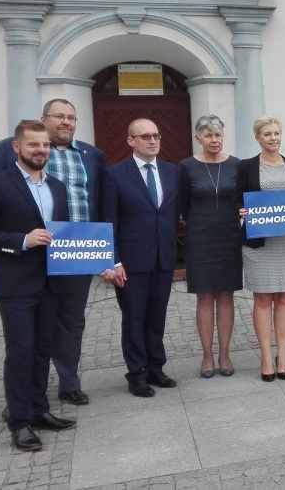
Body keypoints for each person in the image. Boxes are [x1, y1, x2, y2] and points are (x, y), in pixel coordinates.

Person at [0, 99, 105, 406]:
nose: (66, 122)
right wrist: (17, 239)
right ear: (43, 119)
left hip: (78, 251)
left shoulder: (92, 155)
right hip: (30, 258)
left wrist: (106, 252)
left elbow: (102, 201)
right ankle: (22, 401)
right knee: (25, 337)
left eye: (71, 117)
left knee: (71, 321)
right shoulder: (12, 150)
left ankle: (68, 382)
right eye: (59, 116)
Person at [0, 120, 78, 451]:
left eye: (45, 145)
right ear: (17, 147)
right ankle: (19, 422)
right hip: (14, 283)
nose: (41, 150)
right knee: (20, 352)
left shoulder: (57, 187)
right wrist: (22, 240)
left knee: (43, 348)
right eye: (34, 145)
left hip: (50, 281)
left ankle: (39, 410)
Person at [104, 118, 180, 396]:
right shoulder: (114, 174)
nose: (152, 140)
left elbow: (172, 214)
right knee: (134, 317)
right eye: (145, 136)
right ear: (130, 141)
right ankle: (136, 373)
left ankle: (155, 367)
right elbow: (109, 219)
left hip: (163, 257)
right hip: (131, 261)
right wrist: (113, 260)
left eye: (156, 135)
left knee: (157, 315)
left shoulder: (172, 172)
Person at [235, 116, 285, 381]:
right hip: (259, 242)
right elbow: (236, 199)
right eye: (267, 134)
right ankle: (266, 356)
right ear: (258, 138)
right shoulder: (247, 166)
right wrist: (240, 212)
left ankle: (283, 356)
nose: (273, 138)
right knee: (263, 300)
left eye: (276, 133)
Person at [180, 115, 242, 378]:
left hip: (229, 236)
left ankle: (224, 353)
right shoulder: (187, 166)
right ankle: (207, 355)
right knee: (205, 297)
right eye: (208, 135)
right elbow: (183, 204)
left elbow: (241, 199)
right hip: (200, 238)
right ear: (198, 138)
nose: (213, 140)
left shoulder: (237, 165)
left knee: (226, 296)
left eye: (217, 135)